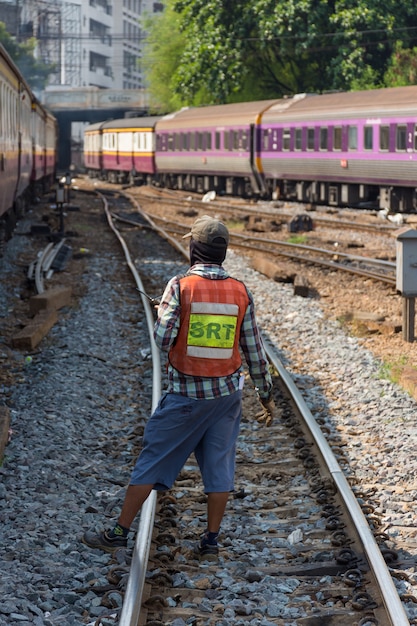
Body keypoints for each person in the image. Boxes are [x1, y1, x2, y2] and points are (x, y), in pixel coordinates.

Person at [82, 215, 276, 560]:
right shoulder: (239, 291)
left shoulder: (180, 286)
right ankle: (211, 540)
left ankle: (118, 532)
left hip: (187, 395)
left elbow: (163, 339)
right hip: (226, 396)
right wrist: (265, 394)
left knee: (152, 459)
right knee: (220, 465)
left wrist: (165, 314)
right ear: (223, 252)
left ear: (193, 249)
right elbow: (254, 349)